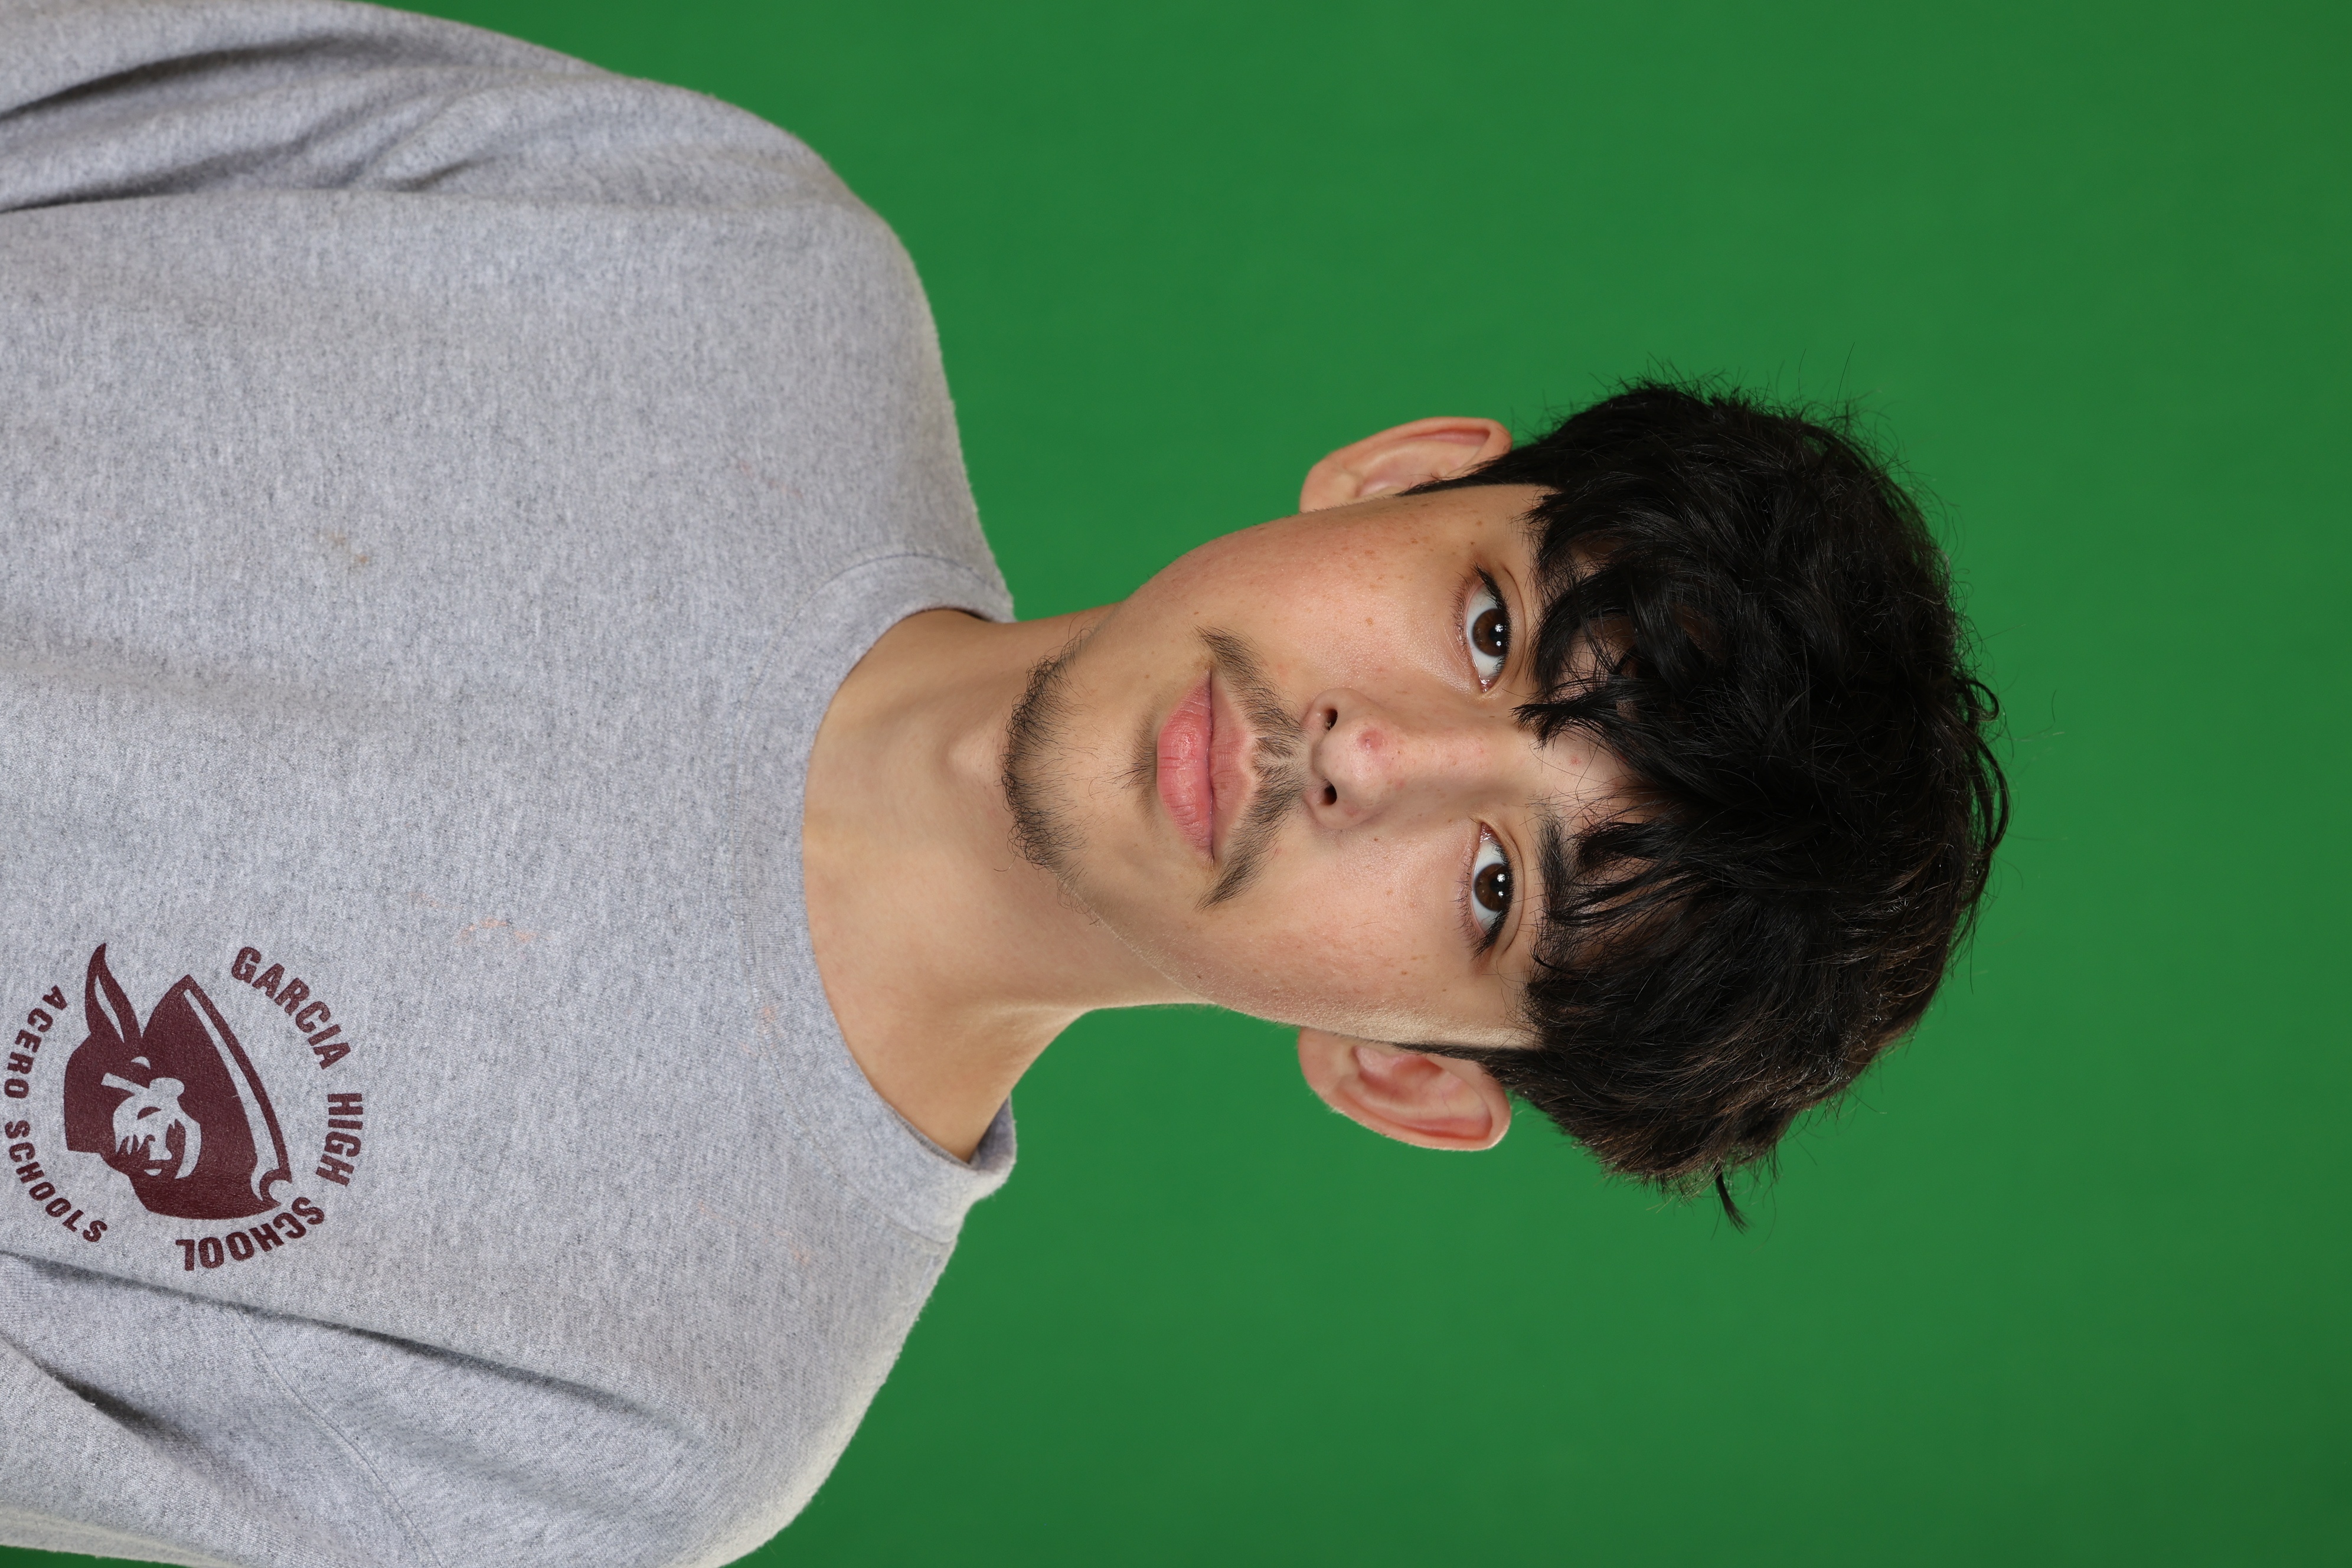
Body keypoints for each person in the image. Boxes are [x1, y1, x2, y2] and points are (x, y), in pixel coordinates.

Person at [0, 1, 2007, 1564]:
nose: (1372, 755)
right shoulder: (714, 253)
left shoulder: (662, 1423)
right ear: (1404, 479)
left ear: (1406, 1071)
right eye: (1489, 629)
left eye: (1498, 889)